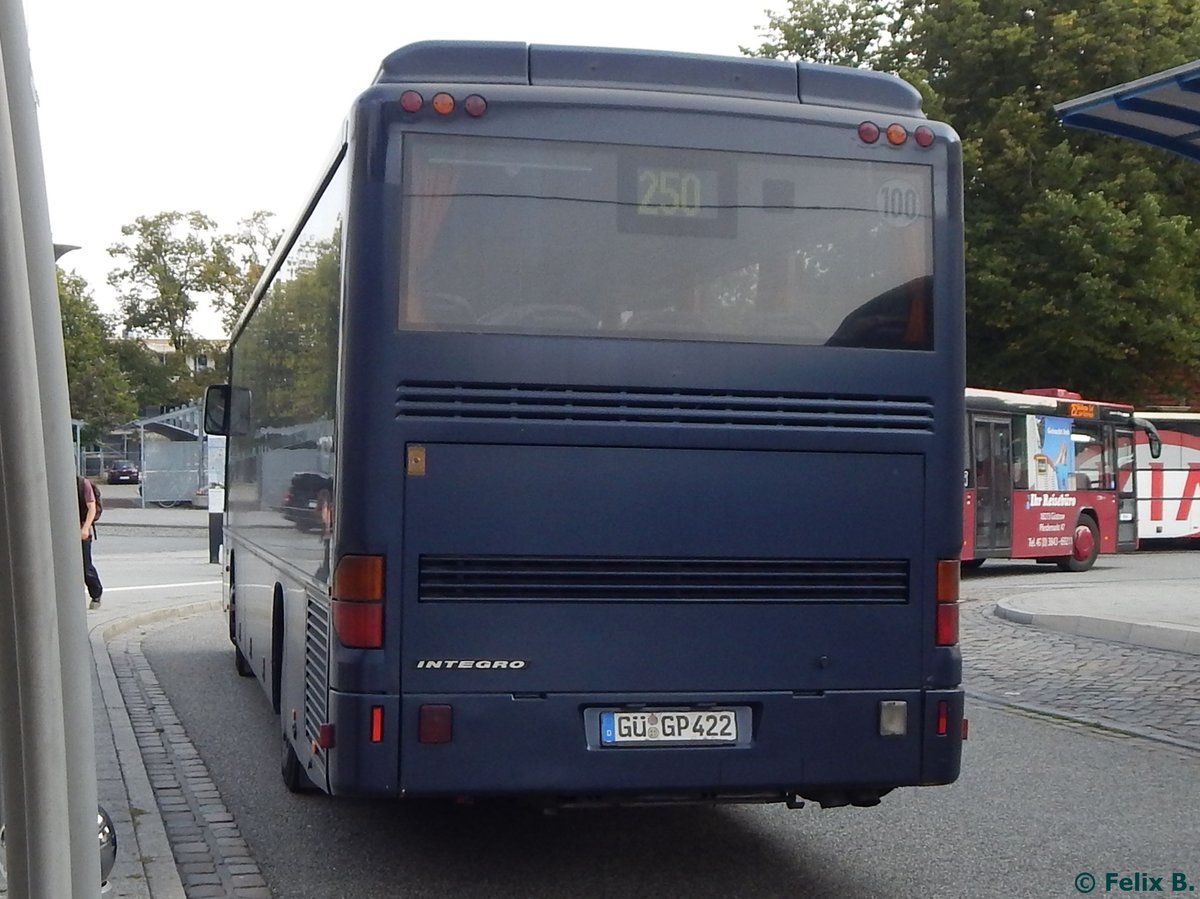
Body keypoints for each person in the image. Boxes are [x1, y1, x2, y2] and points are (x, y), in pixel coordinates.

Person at [78, 475, 103, 609]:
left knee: (85, 566)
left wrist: (85, 528)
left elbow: (91, 507)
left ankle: (96, 594)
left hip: (81, 530)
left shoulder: (82, 484)